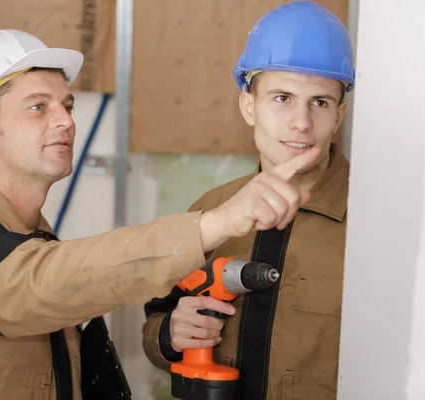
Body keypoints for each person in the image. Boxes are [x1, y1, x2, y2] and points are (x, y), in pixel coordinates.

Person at [0, 29, 319, 399]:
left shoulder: (41, 248)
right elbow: (32, 285)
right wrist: (214, 225)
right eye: (38, 107)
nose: (65, 120)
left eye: (66, 106)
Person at [141, 2, 355, 399]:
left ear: (339, 115)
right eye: (282, 98)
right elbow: (157, 318)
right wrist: (169, 336)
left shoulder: (375, 221)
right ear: (248, 106)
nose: (302, 122)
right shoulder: (210, 211)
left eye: (320, 102)